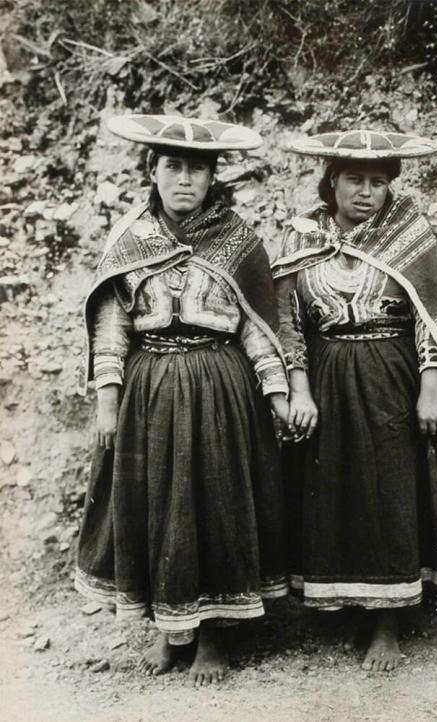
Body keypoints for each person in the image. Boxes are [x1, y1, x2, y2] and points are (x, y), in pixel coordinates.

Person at [75, 115, 290, 685]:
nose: (185, 179)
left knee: (213, 502)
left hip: (220, 386)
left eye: (197, 167)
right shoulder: (128, 240)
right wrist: (107, 401)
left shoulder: (238, 241)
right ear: (153, 171)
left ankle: (215, 637)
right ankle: (172, 632)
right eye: (173, 166)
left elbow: (256, 326)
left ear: (213, 175)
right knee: (153, 504)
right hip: (148, 390)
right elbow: (113, 327)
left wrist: (275, 391)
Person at [273, 129, 437, 672]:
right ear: (331, 182)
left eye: (378, 182)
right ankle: (349, 608)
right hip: (327, 380)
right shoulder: (300, 239)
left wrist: (430, 391)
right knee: (336, 490)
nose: (366, 192)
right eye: (354, 180)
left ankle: (389, 624)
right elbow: (287, 323)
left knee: (390, 491)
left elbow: (433, 319)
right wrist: (298, 387)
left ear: (390, 187)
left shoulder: (409, 237)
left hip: (395, 377)